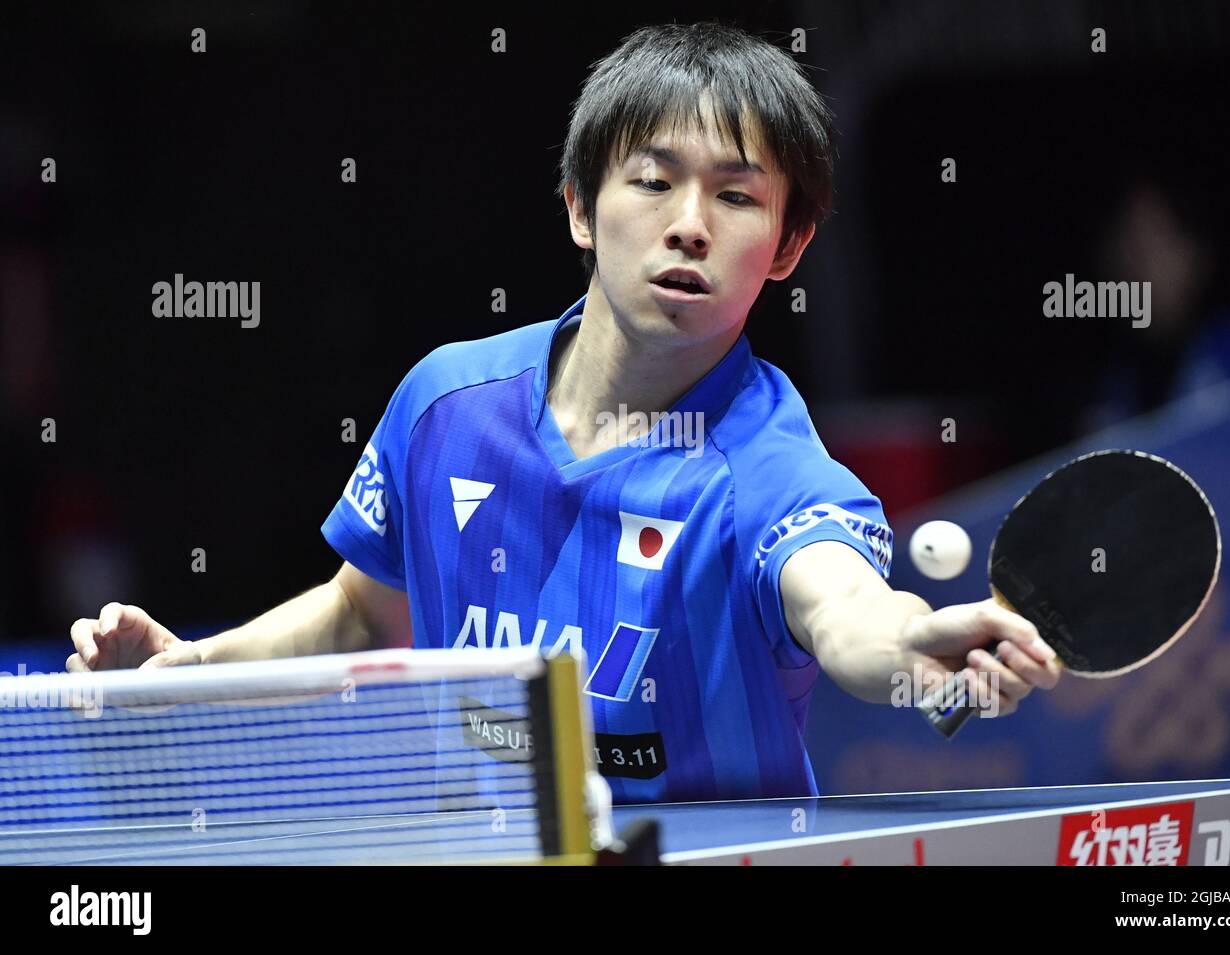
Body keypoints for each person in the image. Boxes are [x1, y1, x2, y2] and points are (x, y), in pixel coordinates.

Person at [67, 22, 1058, 803]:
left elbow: (842, 607)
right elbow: (363, 609)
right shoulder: (447, 403)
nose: (688, 224)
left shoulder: (772, 475)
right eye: (654, 179)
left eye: (737, 197)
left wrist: (907, 649)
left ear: (789, 247)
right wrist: (187, 668)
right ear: (582, 207)